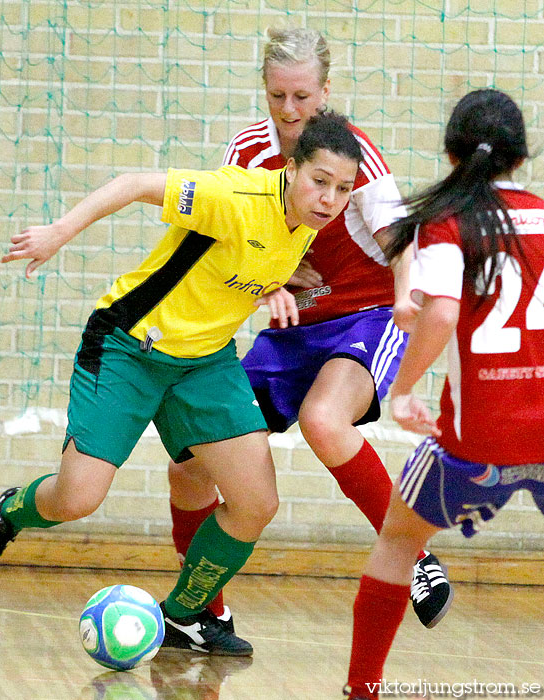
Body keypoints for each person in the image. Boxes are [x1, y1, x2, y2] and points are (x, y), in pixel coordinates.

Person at [0, 110, 363, 657]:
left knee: (255, 502)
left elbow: (240, 262)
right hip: (130, 345)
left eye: (343, 188)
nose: (329, 198)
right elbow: (131, 186)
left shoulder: (306, 225)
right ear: (291, 169)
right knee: (77, 498)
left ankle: (184, 615)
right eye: (320, 181)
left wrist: (276, 287)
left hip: (204, 363)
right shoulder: (231, 196)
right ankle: (6, 516)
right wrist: (57, 233)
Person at [167, 26, 452, 640]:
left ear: (326, 90)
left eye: (303, 97)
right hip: (292, 327)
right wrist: (267, 279)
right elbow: (225, 235)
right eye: (278, 97)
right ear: (264, 93)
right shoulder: (246, 151)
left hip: (366, 317)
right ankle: (200, 615)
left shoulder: (354, 154)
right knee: (189, 462)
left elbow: (402, 244)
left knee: (325, 420)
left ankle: (414, 556)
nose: (291, 112)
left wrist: (407, 298)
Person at [344, 88, 544, 699]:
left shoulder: (447, 221)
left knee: (399, 542)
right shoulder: (543, 215)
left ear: (450, 150)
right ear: (519, 157)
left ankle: (362, 691)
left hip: (475, 439)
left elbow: (443, 315)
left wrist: (403, 389)